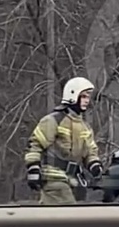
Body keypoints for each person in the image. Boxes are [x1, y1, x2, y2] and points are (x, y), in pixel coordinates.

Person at [24, 77, 104, 206]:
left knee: (73, 219)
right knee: (71, 218)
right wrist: (33, 169)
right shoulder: (53, 120)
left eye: (88, 97)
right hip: (54, 179)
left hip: (74, 181)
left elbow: (90, 152)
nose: (86, 100)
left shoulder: (85, 126)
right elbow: (35, 145)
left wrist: (95, 167)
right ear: (72, 95)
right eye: (83, 96)